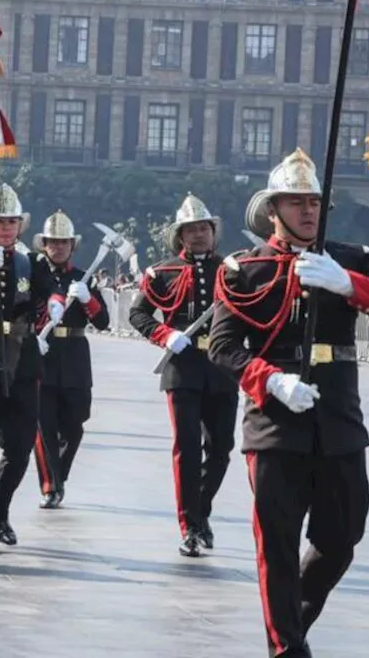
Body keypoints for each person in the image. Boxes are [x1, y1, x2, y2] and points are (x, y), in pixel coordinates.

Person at [208, 149, 369, 657]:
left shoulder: (351, 259)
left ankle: (291, 617)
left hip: (338, 418)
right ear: (272, 210)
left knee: (341, 538)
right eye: (296, 202)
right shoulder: (243, 270)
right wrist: (270, 381)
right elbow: (225, 346)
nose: (308, 211)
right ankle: (287, 649)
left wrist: (348, 284)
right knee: (276, 545)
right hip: (275, 422)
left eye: (314, 202)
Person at [129, 193, 239, 557]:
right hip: (183, 368)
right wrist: (165, 334)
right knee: (187, 448)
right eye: (190, 230)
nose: (198, 235)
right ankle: (189, 525)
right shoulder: (162, 273)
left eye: (204, 228)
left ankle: (201, 510)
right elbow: (138, 314)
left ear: (213, 231)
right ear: (180, 237)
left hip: (223, 368)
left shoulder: (233, 271)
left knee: (221, 449)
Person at [0, 185, 65, 553]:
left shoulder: (30, 262)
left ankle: (0, 510)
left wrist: (55, 304)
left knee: (21, 447)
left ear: (20, 226)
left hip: (22, 360)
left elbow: (50, 288)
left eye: (11, 221)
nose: (5, 227)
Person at [31, 210, 108, 509]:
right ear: (44, 244)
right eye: (53, 242)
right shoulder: (35, 275)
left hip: (75, 356)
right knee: (44, 424)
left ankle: (58, 475)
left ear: (72, 246)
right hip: (43, 351)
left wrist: (88, 299)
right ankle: (50, 485)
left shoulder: (82, 277)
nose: (58, 247)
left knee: (75, 425)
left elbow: (102, 322)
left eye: (64, 242)